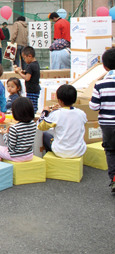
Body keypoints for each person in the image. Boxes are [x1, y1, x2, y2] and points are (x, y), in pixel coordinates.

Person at [89, 48, 115, 192]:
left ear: (104, 67)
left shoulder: (100, 84)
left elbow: (93, 106)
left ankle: (114, 179)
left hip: (107, 124)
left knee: (111, 151)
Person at [38, 85, 87, 158]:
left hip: (61, 151)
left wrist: (45, 111)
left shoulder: (56, 114)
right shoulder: (82, 113)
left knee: (45, 135)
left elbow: (40, 126)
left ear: (59, 101)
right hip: (78, 151)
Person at [0, 97, 37, 162]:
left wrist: (5, 134)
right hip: (29, 155)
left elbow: (10, 147)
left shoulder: (14, 128)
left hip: (17, 156)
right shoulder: (33, 124)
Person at [14, 46, 40, 113]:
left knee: (31, 107)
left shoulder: (30, 66)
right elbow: (30, 73)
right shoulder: (36, 64)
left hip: (31, 90)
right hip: (35, 89)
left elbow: (27, 78)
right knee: (34, 105)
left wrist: (19, 72)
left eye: (24, 58)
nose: (24, 60)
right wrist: (23, 72)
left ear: (30, 56)